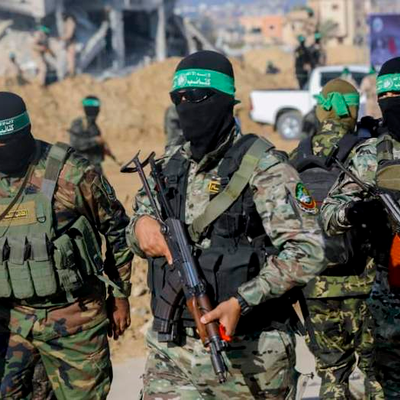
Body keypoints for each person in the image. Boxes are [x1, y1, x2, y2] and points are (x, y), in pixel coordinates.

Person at [126, 50, 326, 399]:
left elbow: (308, 250)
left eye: (196, 97)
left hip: (252, 354)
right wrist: (140, 227)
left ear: (223, 100)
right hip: (172, 352)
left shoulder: (264, 167)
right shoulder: (170, 164)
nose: (185, 106)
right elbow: (135, 229)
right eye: (178, 98)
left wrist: (242, 301)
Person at [0, 91, 132, 399]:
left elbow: (117, 228)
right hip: (12, 322)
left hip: (75, 321)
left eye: (7, 144)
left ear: (25, 133)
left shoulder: (71, 173)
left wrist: (120, 294)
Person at [291, 79, 384, 400]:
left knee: (331, 372)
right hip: (364, 283)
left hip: (314, 285)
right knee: (375, 376)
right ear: (353, 111)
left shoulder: (297, 155)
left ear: (321, 109)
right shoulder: (368, 152)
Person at [321, 57, 400, 399]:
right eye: (387, 98)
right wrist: (354, 211)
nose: (393, 104)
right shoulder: (370, 155)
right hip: (389, 296)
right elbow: (328, 214)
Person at [68, 96, 117, 174]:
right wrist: (95, 140)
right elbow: (76, 143)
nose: (99, 110)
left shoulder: (93, 125)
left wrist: (103, 149)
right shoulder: (80, 123)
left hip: (95, 167)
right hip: (84, 169)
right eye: (97, 108)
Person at [60, 13, 77, 77]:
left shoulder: (71, 23)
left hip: (71, 43)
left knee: (70, 58)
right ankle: (69, 72)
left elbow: (69, 35)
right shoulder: (67, 23)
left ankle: (71, 73)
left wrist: (60, 38)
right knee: (68, 58)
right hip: (68, 43)